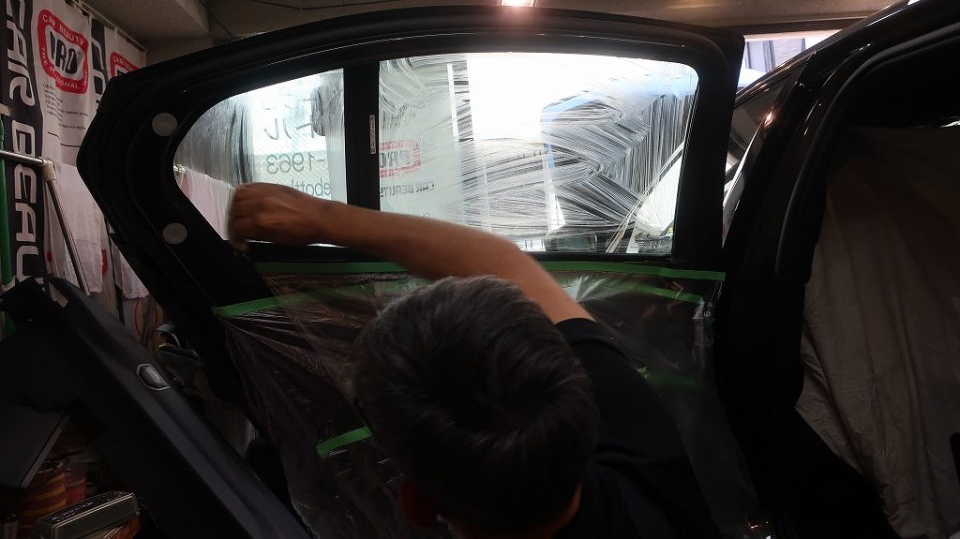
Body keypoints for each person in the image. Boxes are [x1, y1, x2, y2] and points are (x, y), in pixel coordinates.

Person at [228, 183, 719, 539]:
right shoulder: (643, 456)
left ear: (417, 505)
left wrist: (323, 218)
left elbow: (503, 265)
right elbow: (504, 264)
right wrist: (324, 217)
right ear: (585, 396)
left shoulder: (634, 445)